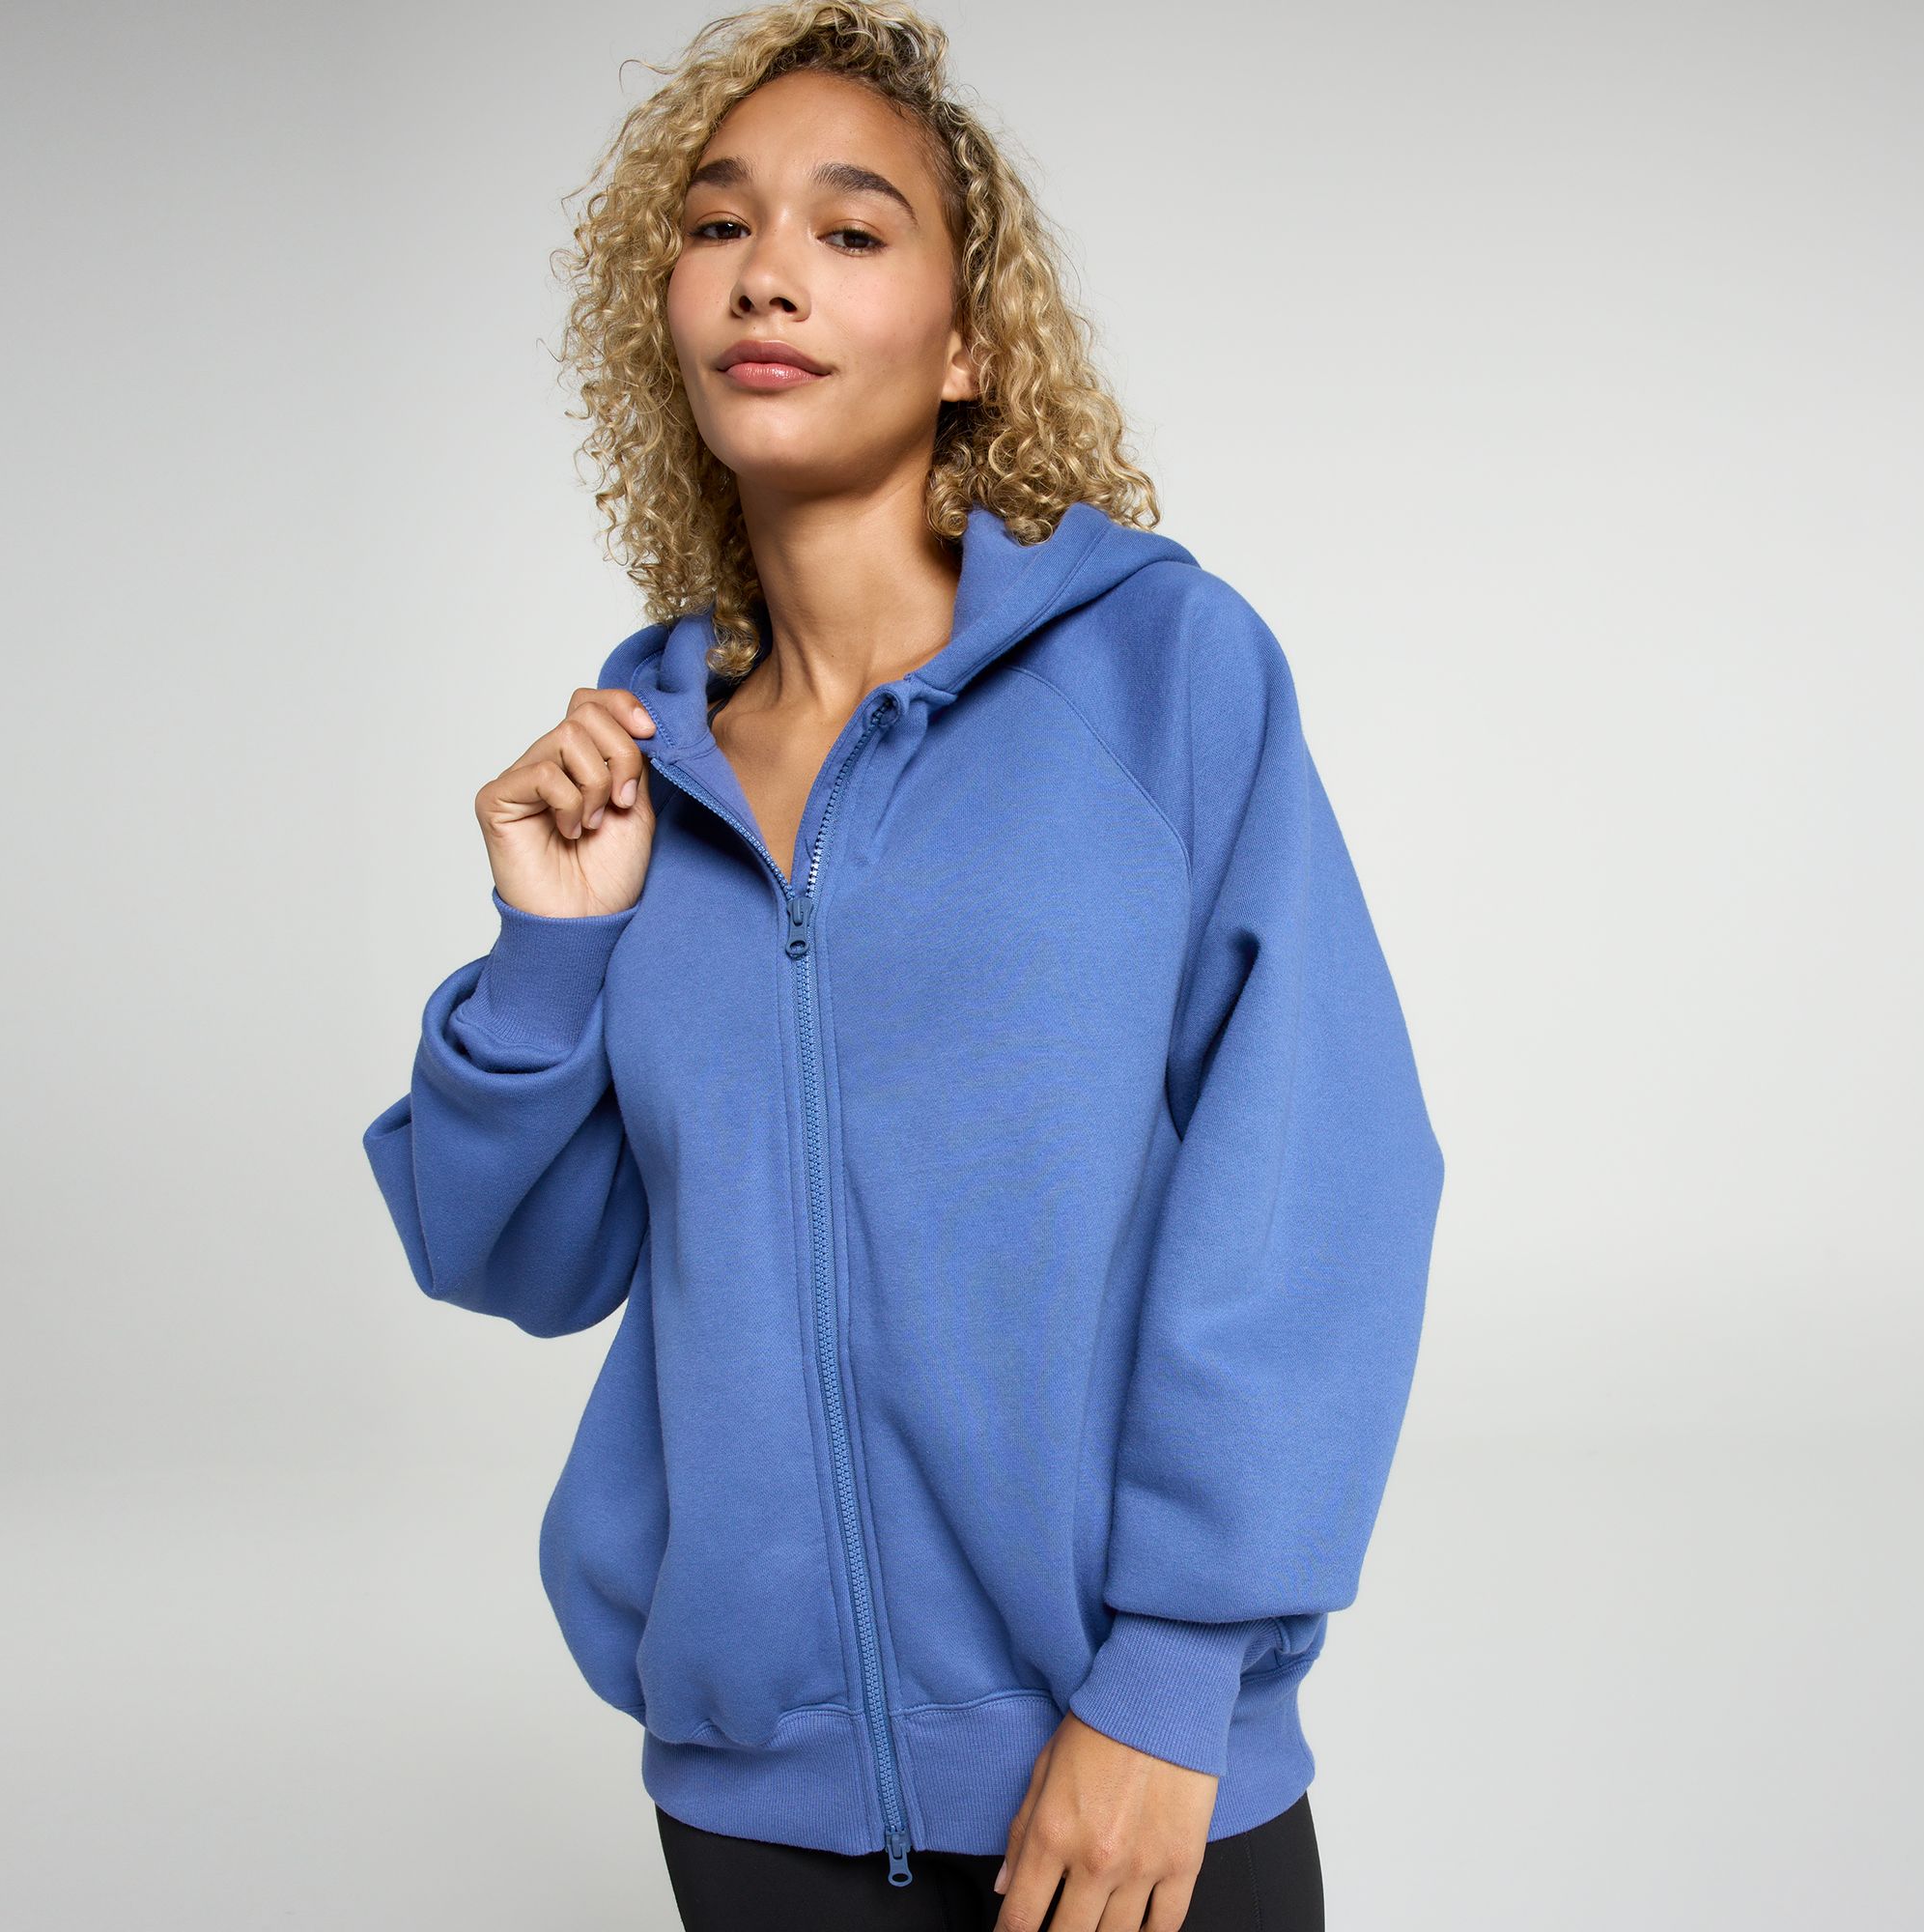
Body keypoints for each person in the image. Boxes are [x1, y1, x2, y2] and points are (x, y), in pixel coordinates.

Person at [360, 4, 1445, 1927]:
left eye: (851, 231)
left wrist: (1173, 1676)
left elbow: (1317, 1176)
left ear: (966, 345)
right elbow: (514, 1260)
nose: (766, 271)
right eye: (718, 225)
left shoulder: (1160, 678)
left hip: (1129, 1767)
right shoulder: (643, 767)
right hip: (755, 1804)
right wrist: (550, 949)